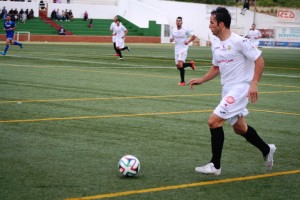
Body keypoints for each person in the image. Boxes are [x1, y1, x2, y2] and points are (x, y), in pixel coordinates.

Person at [187, 7, 276, 176]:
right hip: (227, 89)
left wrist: (254, 83)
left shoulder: (239, 42)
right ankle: (266, 149)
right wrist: (202, 79)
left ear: (221, 24)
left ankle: (215, 165)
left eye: (212, 23)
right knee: (240, 128)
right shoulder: (216, 44)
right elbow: (216, 67)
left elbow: (260, 61)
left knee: (213, 121)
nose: (209, 26)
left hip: (240, 88)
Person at [170, 16, 196, 86]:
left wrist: (188, 42)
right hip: (176, 49)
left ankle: (182, 82)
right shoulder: (174, 30)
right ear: (176, 22)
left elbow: (194, 36)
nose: (178, 22)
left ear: (182, 22)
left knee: (180, 64)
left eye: (179, 21)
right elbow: (171, 38)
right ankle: (190, 64)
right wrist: (171, 39)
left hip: (183, 48)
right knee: (178, 66)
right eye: (177, 21)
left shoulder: (185, 29)